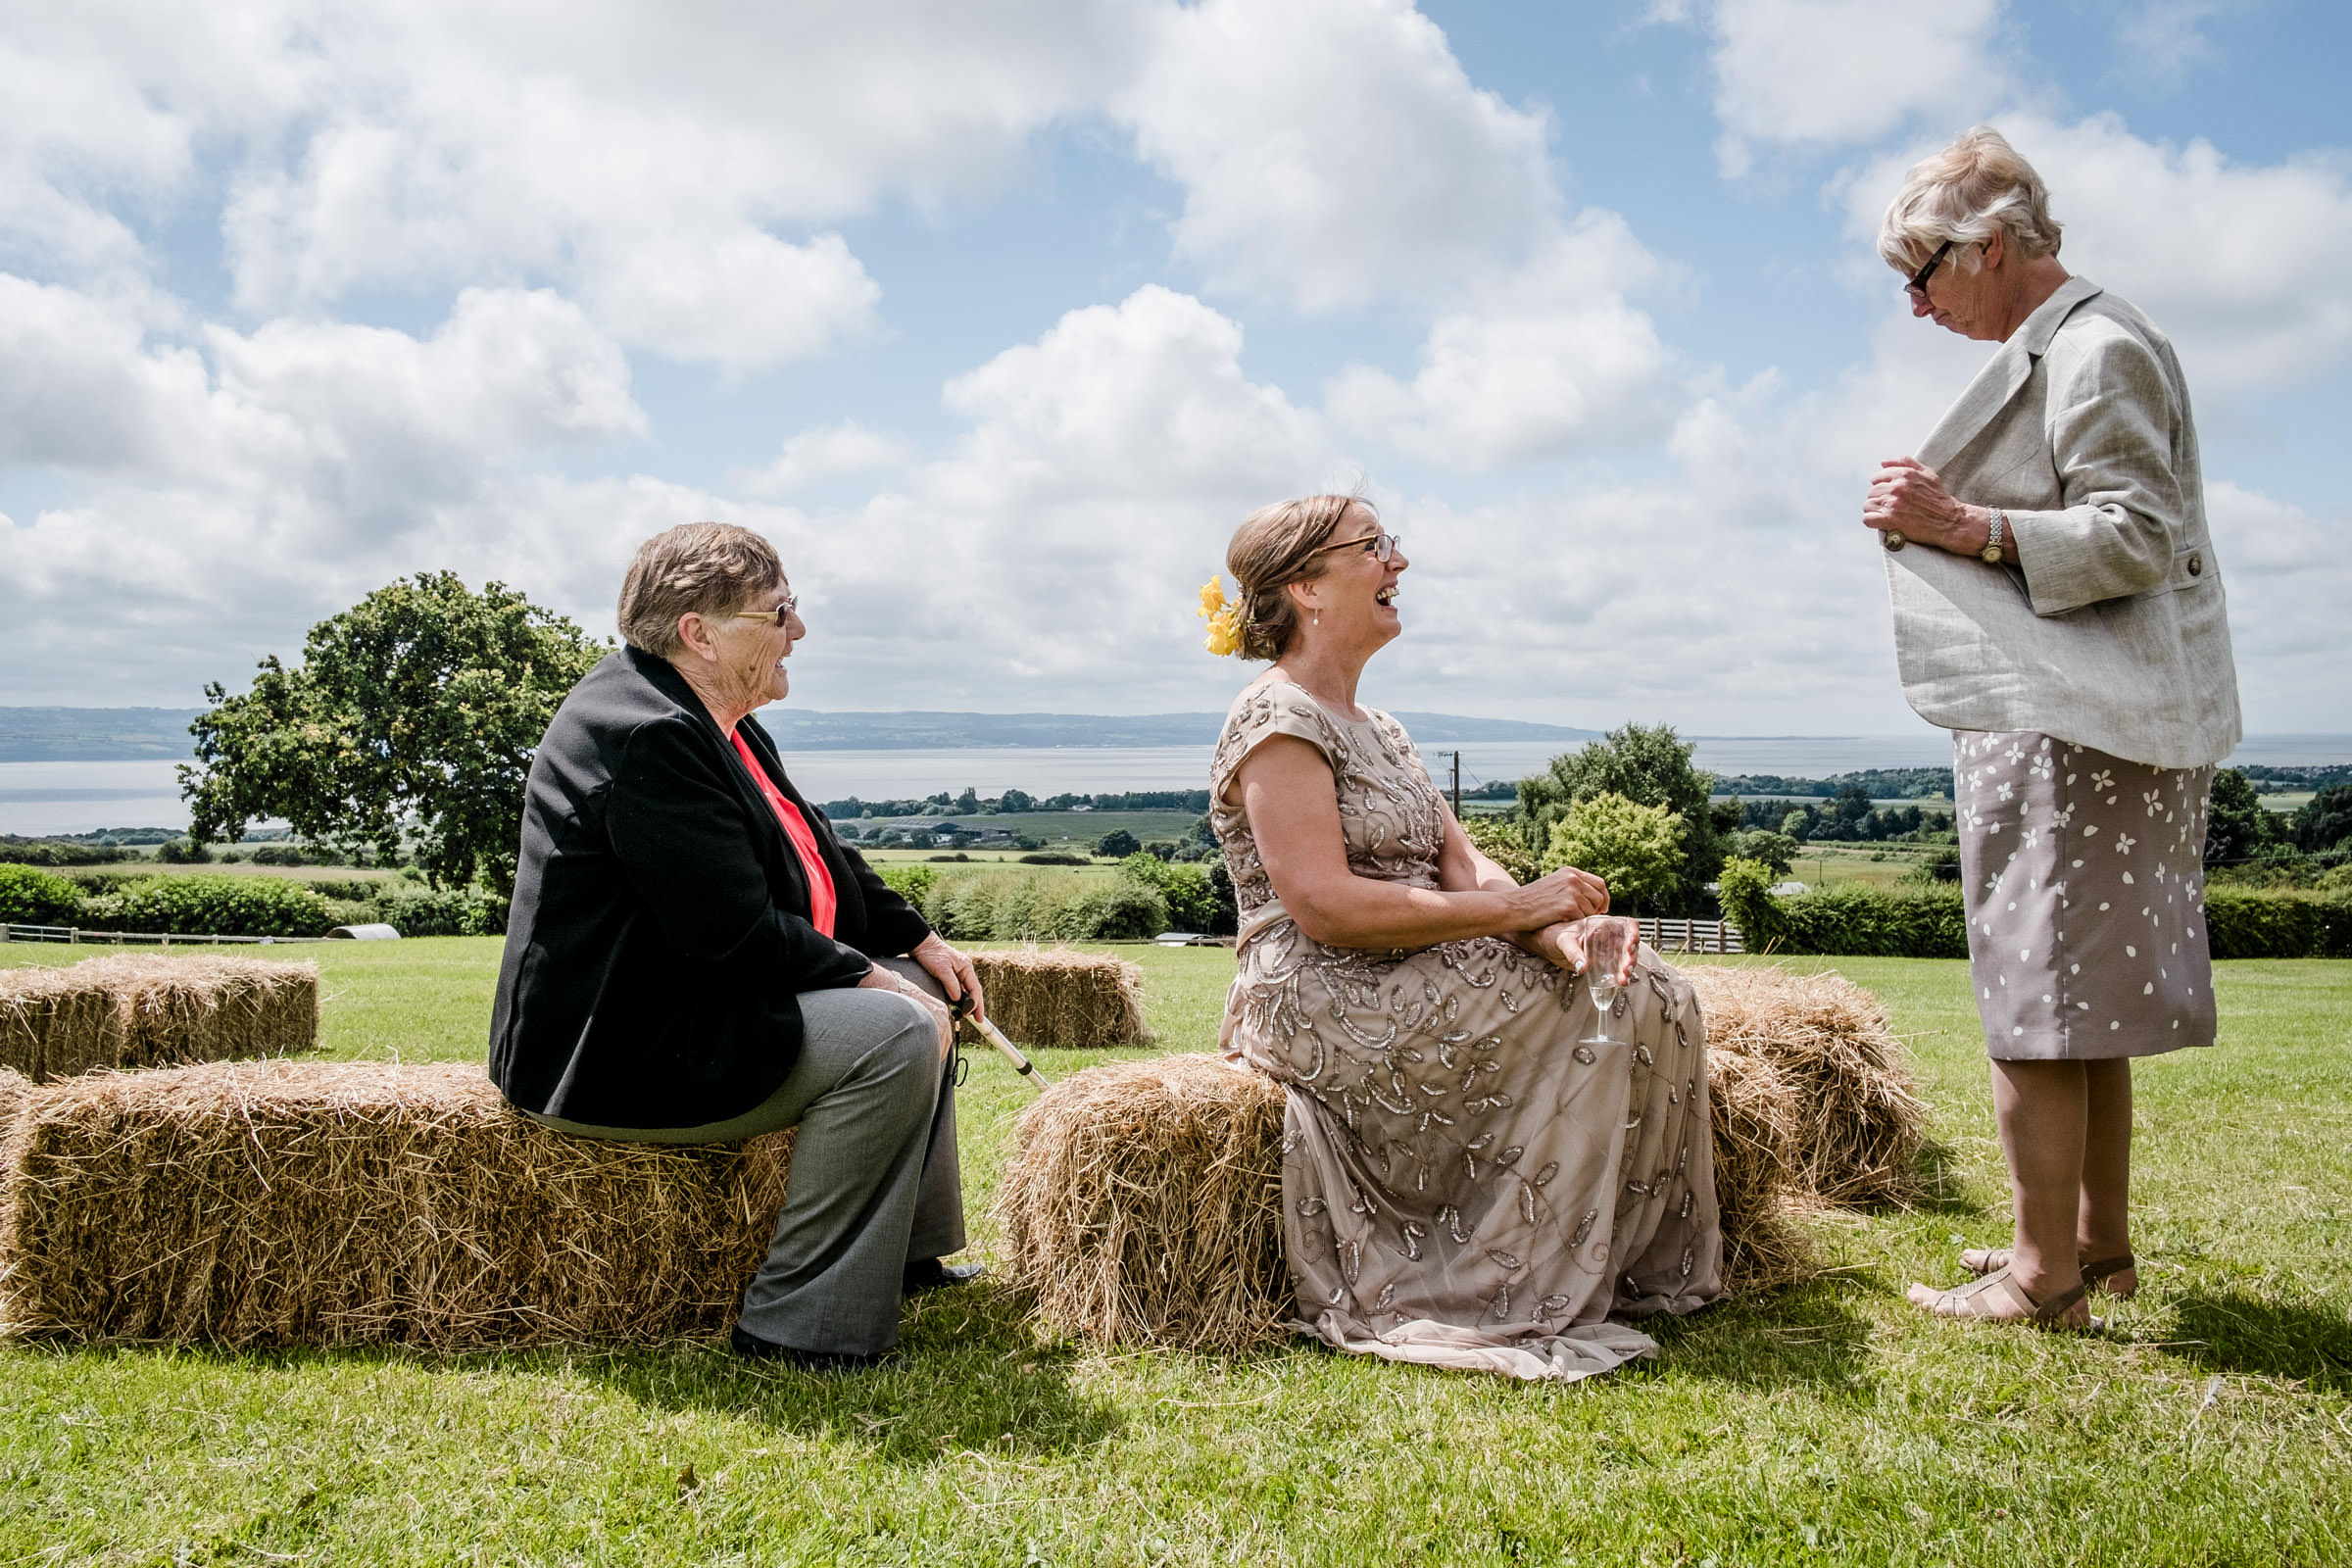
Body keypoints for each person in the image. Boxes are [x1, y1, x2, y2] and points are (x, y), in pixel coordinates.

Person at [1201, 494, 1723, 1382]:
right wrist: (1516, 916)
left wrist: (1562, 936)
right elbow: (1327, 905)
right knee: (1578, 1016)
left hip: (1428, 955)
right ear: (1306, 588)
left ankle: (1607, 1267)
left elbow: (1468, 871)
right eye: (1373, 547)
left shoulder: (1387, 731)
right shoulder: (1275, 722)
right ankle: (1495, 1274)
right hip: (1325, 984)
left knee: (1651, 991)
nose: (1398, 563)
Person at [1863, 127, 2241, 1329]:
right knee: (2082, 1000)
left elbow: (2138, 534)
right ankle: (2092, 1246)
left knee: (2031, 992)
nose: (1914, 307)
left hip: (2076, 720)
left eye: (1917, 276)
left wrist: (1959, 523)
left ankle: (2043, 1278)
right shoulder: (2084, 341)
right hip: (2096, 716)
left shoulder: (2095, 350)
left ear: (1987, 248)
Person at [488, 521, 988, 1370]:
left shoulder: (712, 718)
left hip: (686, 1002)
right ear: (699, 632)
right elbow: (730, 936)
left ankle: (910, 1253)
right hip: (622, 1047)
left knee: (916, 990)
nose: (800, 630)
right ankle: (800, 1326)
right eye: (780, 611)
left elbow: (814, 850)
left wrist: (915, 940)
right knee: (897, 1027)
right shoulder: (650, 735)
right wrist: (876, 980)